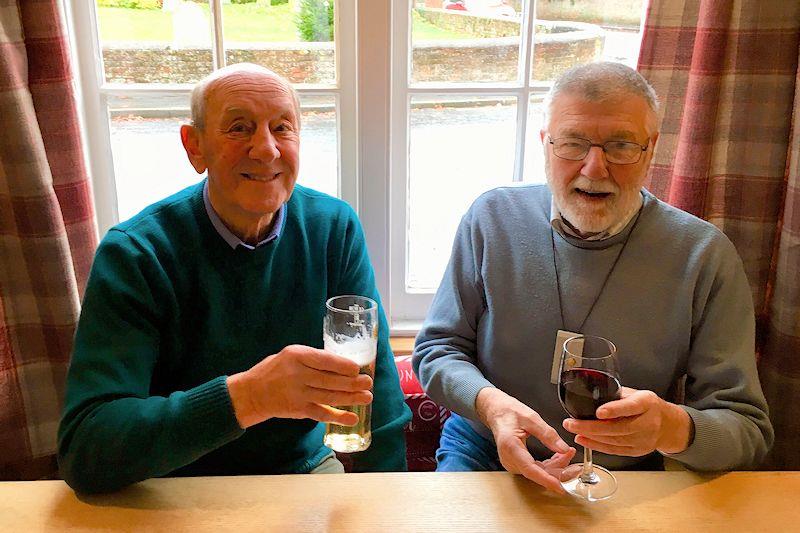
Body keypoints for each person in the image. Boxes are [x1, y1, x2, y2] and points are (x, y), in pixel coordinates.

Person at [412, 62, 773, 494]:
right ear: (546, 144)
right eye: (573, 143)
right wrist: (491, 407)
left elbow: (748, 431)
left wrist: (671, 429)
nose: (594, 167)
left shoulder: (704, 254)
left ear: (650, 149)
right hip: (486, 450)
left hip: (624, 473)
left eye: (620, 146)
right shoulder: (491, 219)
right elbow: (437, 350)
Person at [58, 63, 410, 494]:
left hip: (303, 472)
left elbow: (380, 394)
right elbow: (87, 447)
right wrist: (249, 396)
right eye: (239, 128)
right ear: (195, 147)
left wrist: (389, 502)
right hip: (173, 486)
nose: (265, 149)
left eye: (282, 128)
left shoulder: (332, 228)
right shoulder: (137, 253)